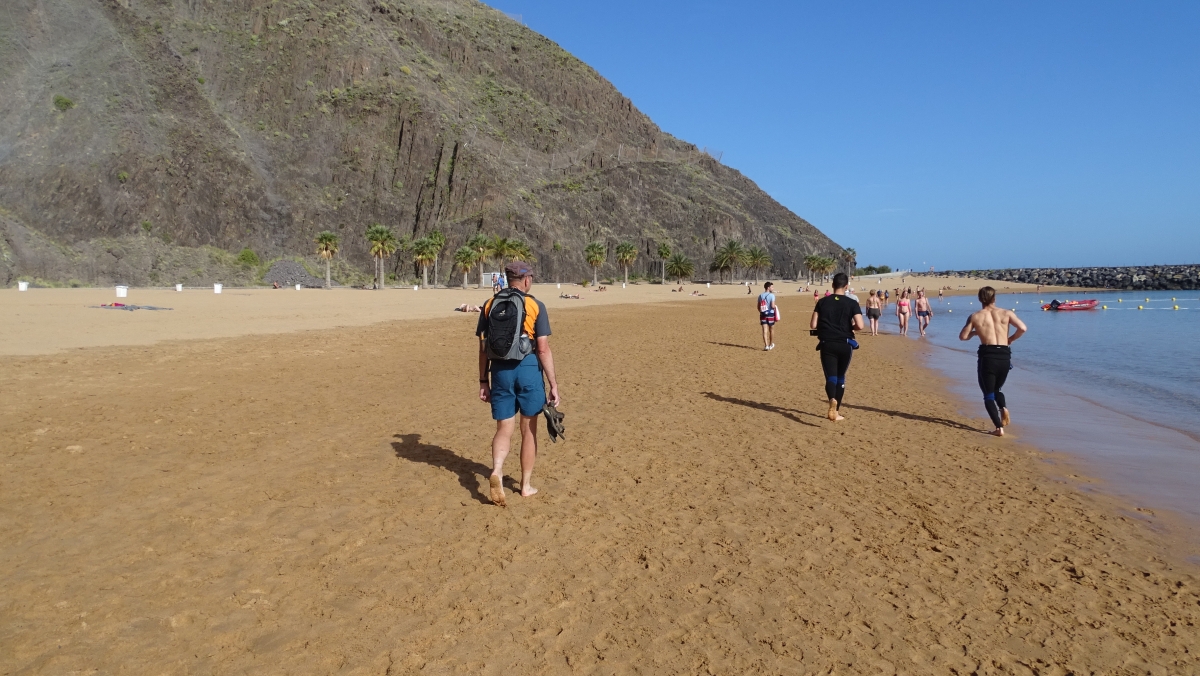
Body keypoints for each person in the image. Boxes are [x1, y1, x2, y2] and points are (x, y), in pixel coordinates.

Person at [477, 262, 561, 505]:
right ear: (526, 280)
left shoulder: (490, 304)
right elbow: (543, 348)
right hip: (527, 370)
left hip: (499, 371)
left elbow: (483, 348)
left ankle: (497, 471)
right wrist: (553, 383)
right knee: (529, 429)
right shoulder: (535, 305)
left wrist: (484, 380)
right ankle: (525, 486)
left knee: (504, 428)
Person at [959, 286, 1027, 437]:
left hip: (988, 356)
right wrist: (1010, 339)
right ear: (994, 298)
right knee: (997, 390)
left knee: (988, 394)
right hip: (1004, 355)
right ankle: (1003, 407)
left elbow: (963, 337)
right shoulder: (1006, 313)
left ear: (979, 299)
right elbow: (1022, 328)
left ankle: (999, 428)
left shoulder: (975, 316)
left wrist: (976, 332)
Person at [810, 273, 864, 421]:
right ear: (846, 286)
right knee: (841, 377)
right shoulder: (852, 303)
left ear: (832, 285)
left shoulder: (822, 302)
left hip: (827, 343)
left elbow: (813, 325)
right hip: (845, 343)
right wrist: (849, 327)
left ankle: (831, 400)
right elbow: (860, 325)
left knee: (831, 377)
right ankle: (837, 410)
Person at [758, 281, 779, 350]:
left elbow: (758, 307)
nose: (773, 288)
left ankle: (766, 345)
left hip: (763, 314)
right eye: (772, 287)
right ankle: (770, 344)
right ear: (768, 288)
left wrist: (762, 311)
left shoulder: (760, 296)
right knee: (771, 329)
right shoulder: (772, 295)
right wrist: (775, 307)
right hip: (770, 314)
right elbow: (772, 306)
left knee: (764, 330)